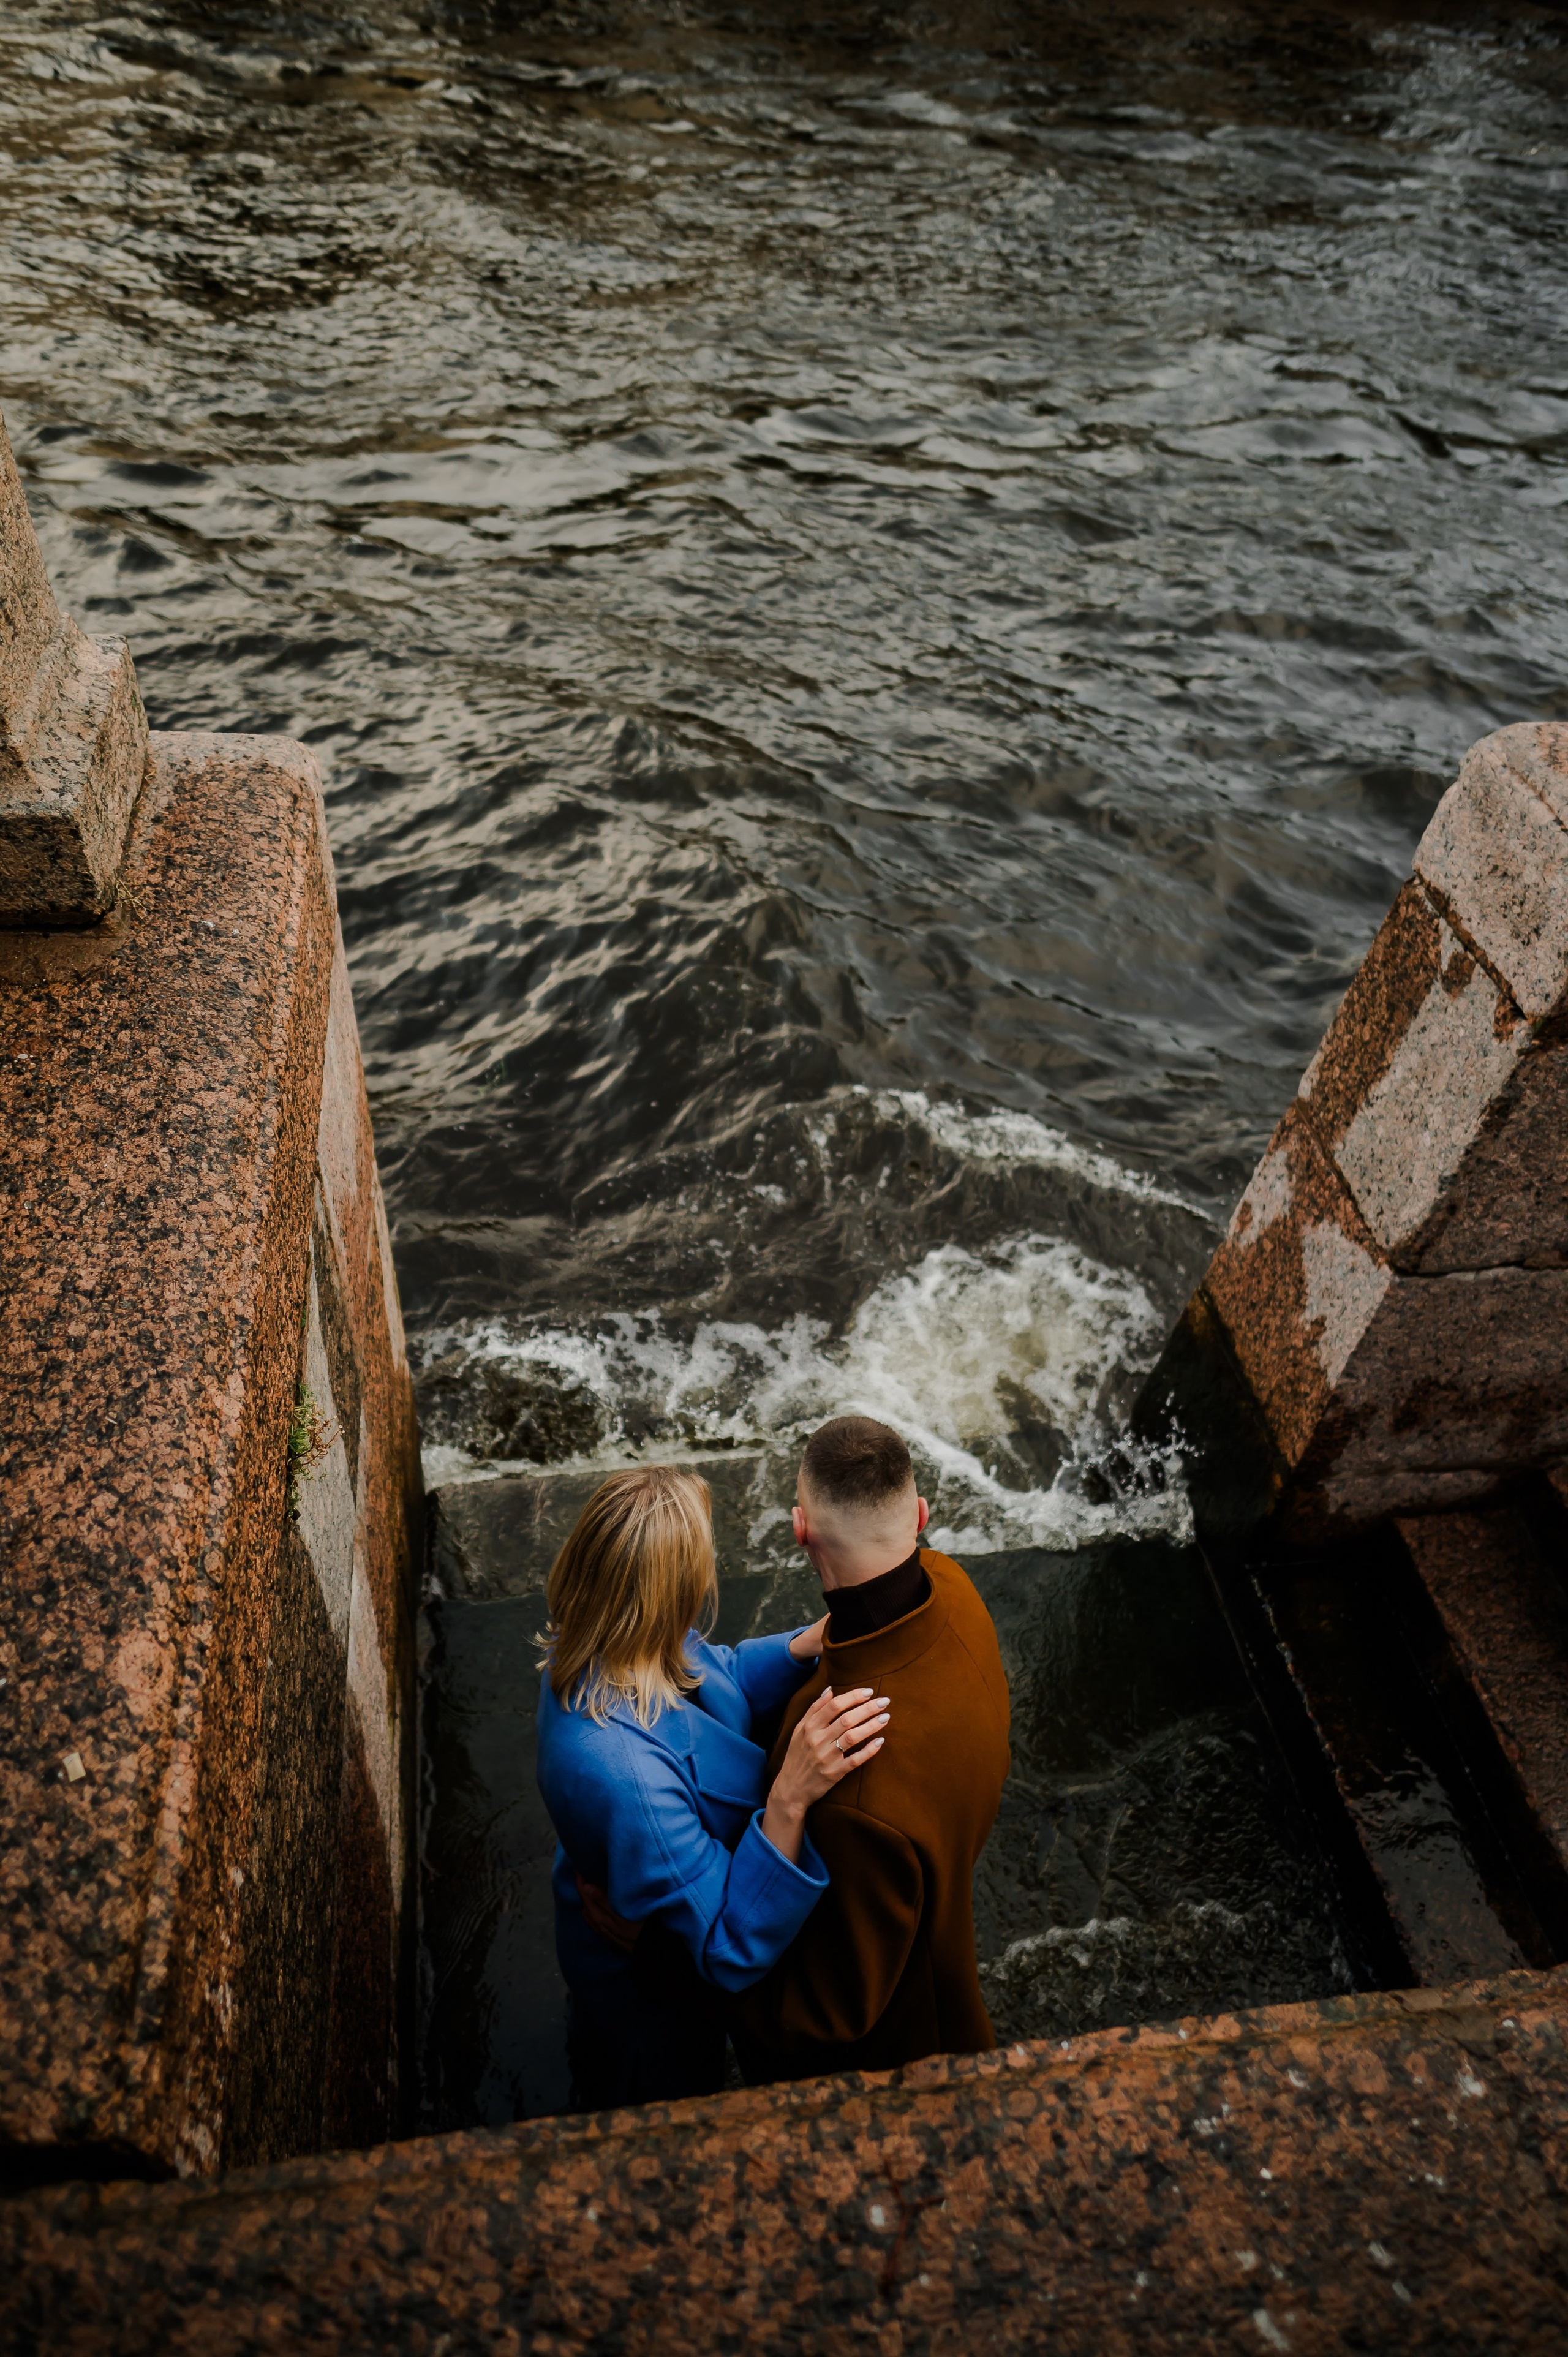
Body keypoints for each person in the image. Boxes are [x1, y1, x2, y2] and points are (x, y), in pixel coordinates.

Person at [535, 1463, 892, 2110]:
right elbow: (728, 1946)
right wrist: (789, 1796)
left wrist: (803, 1645)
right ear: (668, 1600)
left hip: (629, 1898)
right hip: (649, 2003)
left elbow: (707, 1672)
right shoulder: (629, 1779)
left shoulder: (599, 1631)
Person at [732, 1414, 1011, 2081]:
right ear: (921, 1514)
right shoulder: (954, 1587)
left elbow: (822, 2013)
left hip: (898, 2059)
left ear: (800, 1530)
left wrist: (677, 1955)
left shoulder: (854, 1795)